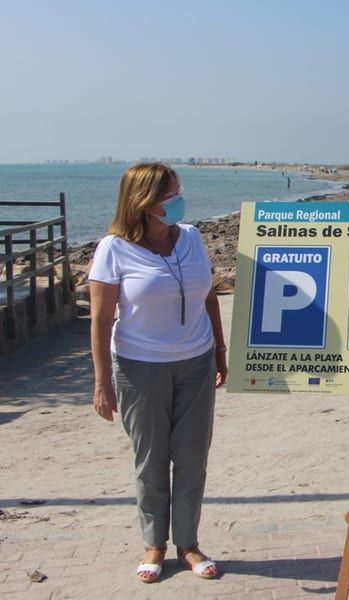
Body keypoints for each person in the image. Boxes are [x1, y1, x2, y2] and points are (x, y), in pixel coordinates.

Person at [90, 163, 228, 584]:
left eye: (178, 192)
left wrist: (220, 351)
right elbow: (99, 319)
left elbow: (209, 296)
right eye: (169, 196)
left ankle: (188, 543)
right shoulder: (113, 249)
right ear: (142, 203)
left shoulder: (191, 237)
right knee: (150, 460)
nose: (178, 201)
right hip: (139, 368)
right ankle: (155, 543)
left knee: (191, 457)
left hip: (197, 361)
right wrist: (101, 383)